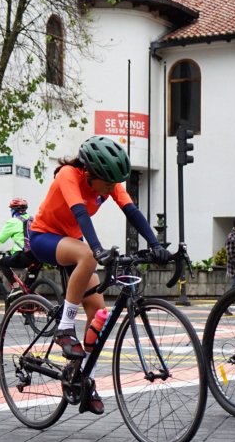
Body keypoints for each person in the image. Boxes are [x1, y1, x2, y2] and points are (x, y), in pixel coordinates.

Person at [28, 135, 171, 415]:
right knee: (89, 255)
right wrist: (96, 249)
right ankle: (65, 327)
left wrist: (155, 244)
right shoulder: (68, 175)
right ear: (89, 173)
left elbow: (133, 212)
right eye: (105, 184)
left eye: (112, 185)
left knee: (100, 318)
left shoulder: (110, 183)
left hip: (73, 242)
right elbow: (81, 213)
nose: (109, 190)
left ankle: (80, 377)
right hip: (45, 237)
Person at [0, 197, 39, 299]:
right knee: (28, 287)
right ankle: (31, 302)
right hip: (39, 255)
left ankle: (15, 287)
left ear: (13, 210)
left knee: (3, 262)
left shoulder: (13, 221)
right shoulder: (33, 219)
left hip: (26, 256)